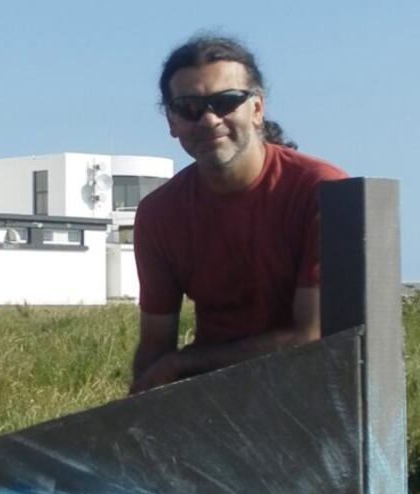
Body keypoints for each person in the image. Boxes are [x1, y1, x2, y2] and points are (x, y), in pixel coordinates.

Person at [130, 35, 347, 394]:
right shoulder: (158, 215)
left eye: (227, 102)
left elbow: (310, 337)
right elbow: (155, 348)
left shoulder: (322, 191)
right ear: (171, 121)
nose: (210, 120)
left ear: (257, 109)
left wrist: (184, 363)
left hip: (314, 394)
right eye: (188, 107)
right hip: (212, 401)